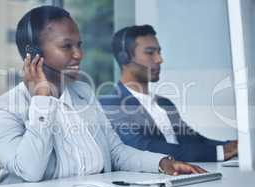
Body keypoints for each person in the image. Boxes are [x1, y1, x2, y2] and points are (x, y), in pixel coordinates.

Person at [0, 6, 206, 185]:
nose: (79, 54)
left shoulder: (83, 93)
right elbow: (31, 171)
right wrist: (42, 100)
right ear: (34, 54)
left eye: (79, 45)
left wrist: (163, 163)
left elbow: (116, 152)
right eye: (66, 46)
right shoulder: (2, 109)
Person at [100, 25, 238, 162]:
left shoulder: (164, 103)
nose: (159, 59)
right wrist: (218, 153)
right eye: (150, 52)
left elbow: (194, 139)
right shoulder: (112, 104)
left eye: (159, 52)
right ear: (125, 58)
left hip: (188, 175)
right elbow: (143, 147)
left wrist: (234, 145)